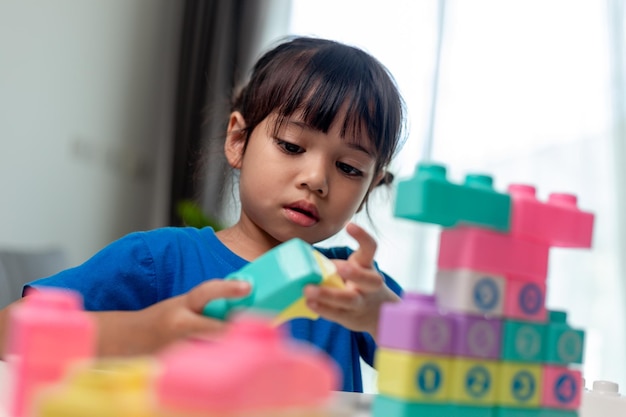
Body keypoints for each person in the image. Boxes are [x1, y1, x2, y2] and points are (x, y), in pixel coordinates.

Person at [0, 36, 406, 392]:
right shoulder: (158, 259)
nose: (317, 179)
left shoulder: (357, 290)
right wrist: (144, 333)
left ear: (370, 186)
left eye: (349, 168)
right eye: (292, 146)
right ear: (237, 141)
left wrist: (379, 317)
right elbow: (10, 332)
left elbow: (454, 376)